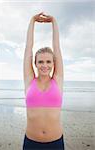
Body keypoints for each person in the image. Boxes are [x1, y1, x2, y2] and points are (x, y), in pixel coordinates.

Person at [23, 12, 64, 150]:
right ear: (35, 63)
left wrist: (54, 22)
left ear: (53, 63)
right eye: (40, 62)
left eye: (48, 61)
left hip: (55, 143)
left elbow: (56, 47)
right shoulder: (30, 81)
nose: (44, 65)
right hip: (31, 143)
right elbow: (28, 48)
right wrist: (32, 21)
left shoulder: (57, 80)